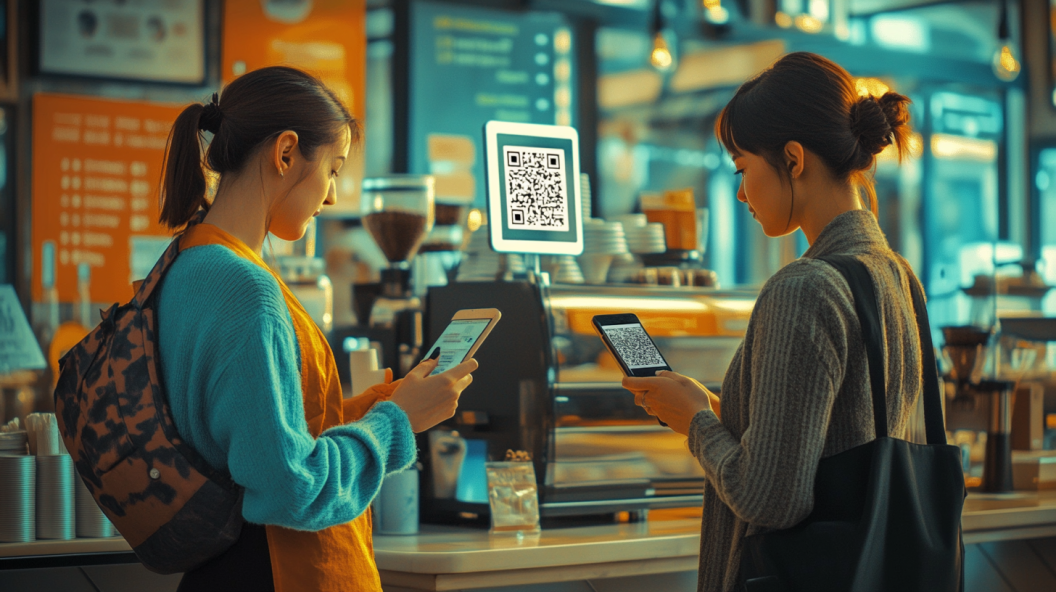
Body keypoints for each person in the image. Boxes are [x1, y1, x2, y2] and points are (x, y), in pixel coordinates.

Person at [155, 66, 477, 592]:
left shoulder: (187, 265)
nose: (331, 198)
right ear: (285, 153)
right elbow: (288, 487)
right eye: (333, 169)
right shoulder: (246, 289)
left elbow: (256, 445)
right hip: (283, 571)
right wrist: (397, 424)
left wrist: (370, 411)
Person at [622, 52, 919, 591]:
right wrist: (716, 408)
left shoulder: (804, 287)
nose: (740, 193)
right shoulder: (898, 278)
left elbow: (771, 500)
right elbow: (839, 439)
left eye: (742, 168)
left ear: (793, 158)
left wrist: (696, 424)